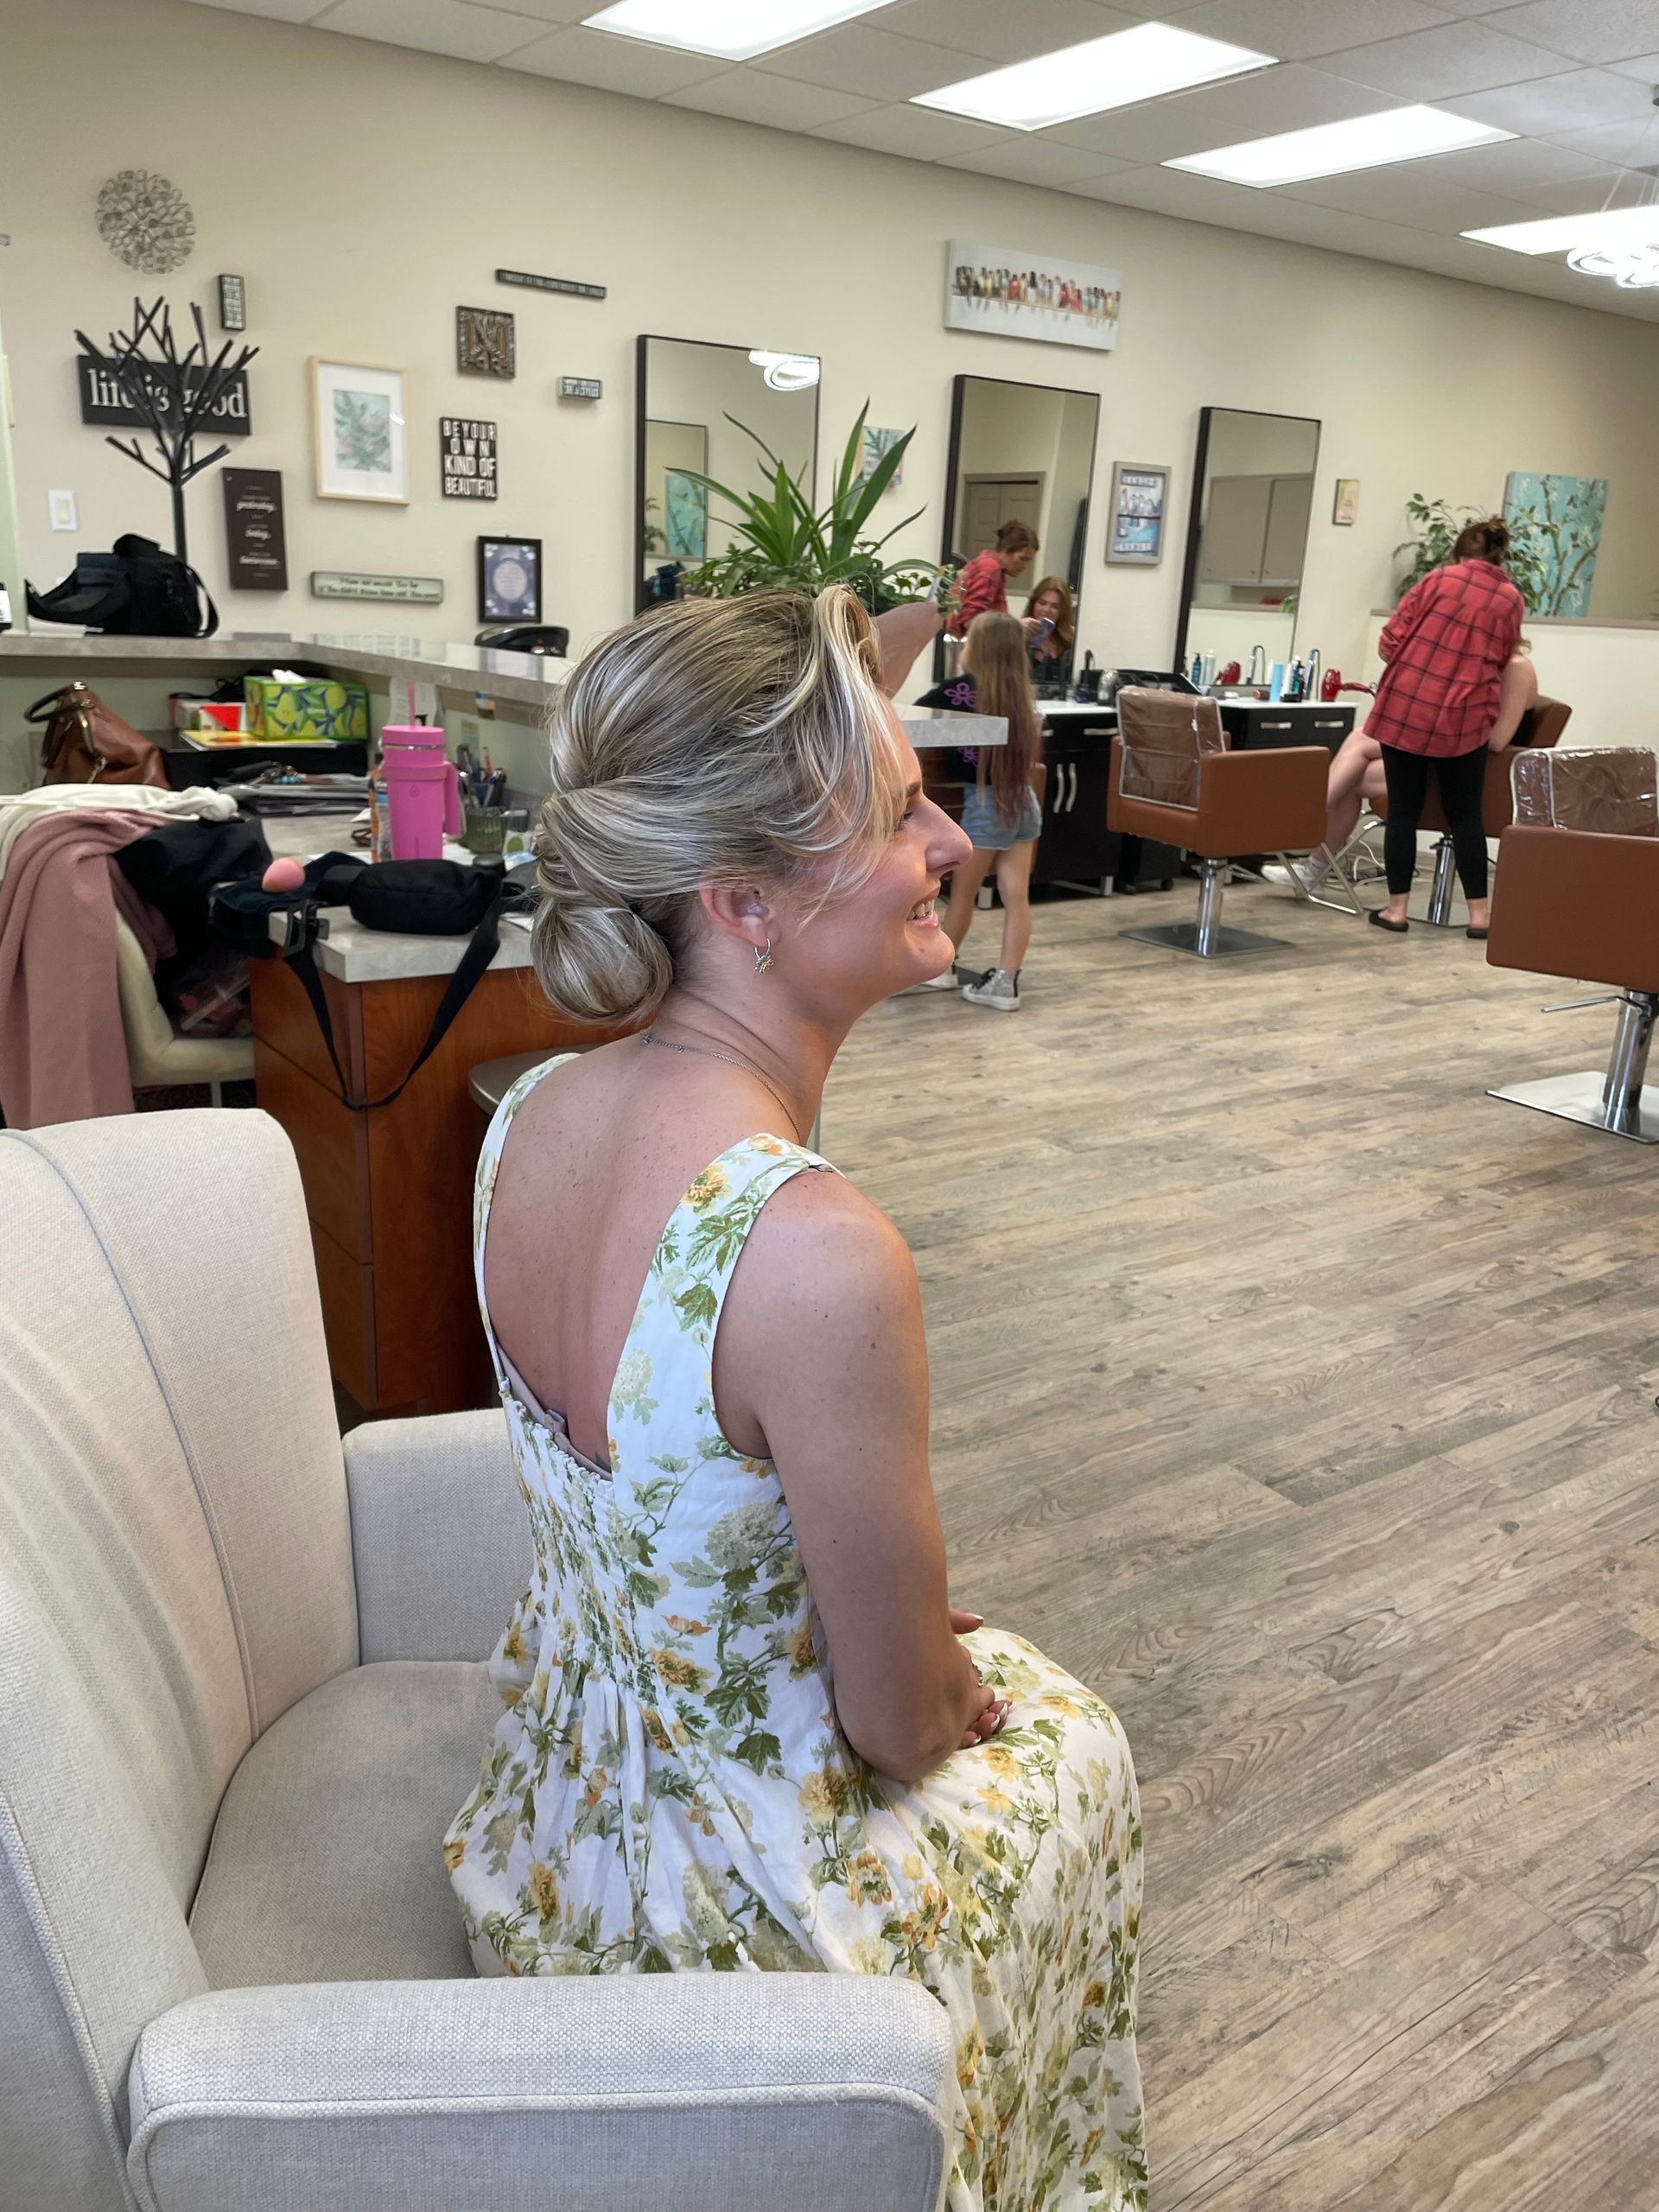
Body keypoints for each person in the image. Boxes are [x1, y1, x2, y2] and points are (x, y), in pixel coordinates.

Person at [444, 587, 1145, 2212]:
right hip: (731, 1907)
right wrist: (952, 1696)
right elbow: (895, 1723)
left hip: (567, 1816)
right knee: (1083, 1745)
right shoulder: (813, 1253)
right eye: (903, 813)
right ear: (744, 898)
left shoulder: (525, 1113)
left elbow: (668, 1509)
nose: (952, 844)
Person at [1266, 642, 1538, 896]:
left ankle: (1302, 831)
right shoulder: (1476, 666)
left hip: (1473, 775)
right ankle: (1311, 864)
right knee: (1357, 759)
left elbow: (1499, 740)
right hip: (1443, 757)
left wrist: (1443, 728)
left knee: (1360, 746)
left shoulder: (1516, 667)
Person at [910, 611, 1044, 1013]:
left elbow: (911, 715)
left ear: (977, 650)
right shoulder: (1021, 694)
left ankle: (942, 968)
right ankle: (1005, 983)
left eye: (968, 640)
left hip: (986, 805)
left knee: (963, 894)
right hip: (1023, 801)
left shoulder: (957, 692)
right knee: (1016, 896)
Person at [946, 519, 1039, 639]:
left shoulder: (986, 564)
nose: (1025, 566)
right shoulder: (990, 570)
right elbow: (971, 620)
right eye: (1022, 558)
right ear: (1006, 550)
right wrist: (1015, 626)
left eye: (1028, 561)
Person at [1024, 574, 1077, 685]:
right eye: (1042, 603)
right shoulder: (1019, 636)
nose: (1046, 610)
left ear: (1062, 611)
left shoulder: (1071, 639)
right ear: (1033, 604)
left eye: (1054, 606)